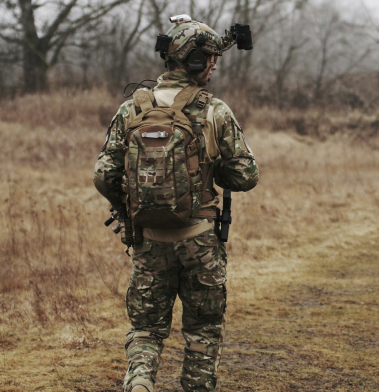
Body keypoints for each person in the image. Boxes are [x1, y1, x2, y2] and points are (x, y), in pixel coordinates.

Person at [93, 15, 259, 392]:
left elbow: (103, 174)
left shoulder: (131, 110)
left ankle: (138, 383)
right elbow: (246, 176)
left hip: (149, 240)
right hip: (200, 242)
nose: (214, 67)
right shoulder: (214, 110)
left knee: (146, 329)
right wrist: (210, 170)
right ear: (195, 61)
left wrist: (129, 210)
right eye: (210, 60)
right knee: (203, 331)